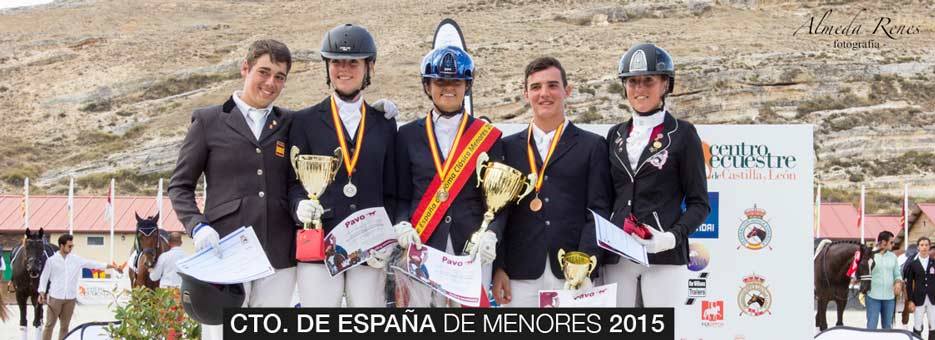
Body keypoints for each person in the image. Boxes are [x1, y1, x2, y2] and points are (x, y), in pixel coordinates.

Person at [168, 39, 297, 339]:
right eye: (264, 72)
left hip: (278, 255)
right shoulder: (208, 121)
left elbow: (326, 121)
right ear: (245, 68)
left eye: (280, 77)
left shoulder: (290, 122)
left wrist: (375, 115)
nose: (271, 83)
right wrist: (197, 226)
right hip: (224, 253)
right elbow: (180, 185)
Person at [288, 23, 398, 308]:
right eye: (337, 62)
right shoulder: (304, 121)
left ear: (369, 67)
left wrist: (387, 237)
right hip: (321, 244)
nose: (344, 69)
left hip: (370, 247)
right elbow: (293, 184)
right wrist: (299, 206)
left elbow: (392, 189)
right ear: (327, 67)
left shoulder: (384, 123)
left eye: (353, 62)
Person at [602, 43, 710, 324]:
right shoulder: (614, 135)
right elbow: (605, 197)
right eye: (632, 81)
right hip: (617, 256)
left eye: (648, 80)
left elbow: (700, 203)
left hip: (663, 255)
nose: (639, 88)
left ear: (665, 84)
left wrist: (671, 237)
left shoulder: (683, 134)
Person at [491, 57, 612, 307]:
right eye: (536, 87)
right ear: (526, 93)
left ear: (567, 90)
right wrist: (498, 266)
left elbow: (598, 211)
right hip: (518, 273)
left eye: (552, 85)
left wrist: (585, 264)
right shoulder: (506, 147)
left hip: (572, 273)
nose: (544, 93)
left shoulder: (593, 146)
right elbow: (499, 212)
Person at [394, 45, 504, 307]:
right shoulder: (407, 135)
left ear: (467, 86)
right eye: (440, 82)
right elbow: (398, 194)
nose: (448, 88)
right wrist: (401, 223)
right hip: (422, 242)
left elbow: (499, 201)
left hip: (470, 247)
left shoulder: (487, 137)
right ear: (427, 86)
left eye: (456, 82)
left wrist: (492, 233)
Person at [37, 234, 122, 340]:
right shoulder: (51, 261)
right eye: (69, 246)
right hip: (55, 298)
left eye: (72, 246)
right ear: (62, 246)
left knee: (65, 327)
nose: (71, 248)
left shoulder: (76, 259)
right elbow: (44, 278)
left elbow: (93, 264)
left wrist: (112, 266)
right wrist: (41, 292)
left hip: (70, 299)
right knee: (49, 325)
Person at [866, 230, 904, 329]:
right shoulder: (869, 256)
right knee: (871, 326)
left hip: (889, 298)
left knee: (887, 327)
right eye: (891, 242)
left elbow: (897, 274)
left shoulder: (893, 257)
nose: (893, 244)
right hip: (872, 296)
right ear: (883, 242)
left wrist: (898, 282)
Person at [904, 237, 934, 336]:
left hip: (933, 298)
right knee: (917, 324)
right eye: (922, 245)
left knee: (933, 324)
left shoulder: (934, 262)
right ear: (918, 247)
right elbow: (909, 284)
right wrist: (910, 300)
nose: (924, 247)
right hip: (918, 298)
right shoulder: (913, 264)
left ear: (929, 247)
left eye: (926, 245)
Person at [149, 232, 187, 303]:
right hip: (181, 291)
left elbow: (154, 277)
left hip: (166, 292)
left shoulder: (163, 256)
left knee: (166, 310)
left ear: (168, 243)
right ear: (181, 243)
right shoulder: (187, 257)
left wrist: (151, 271)